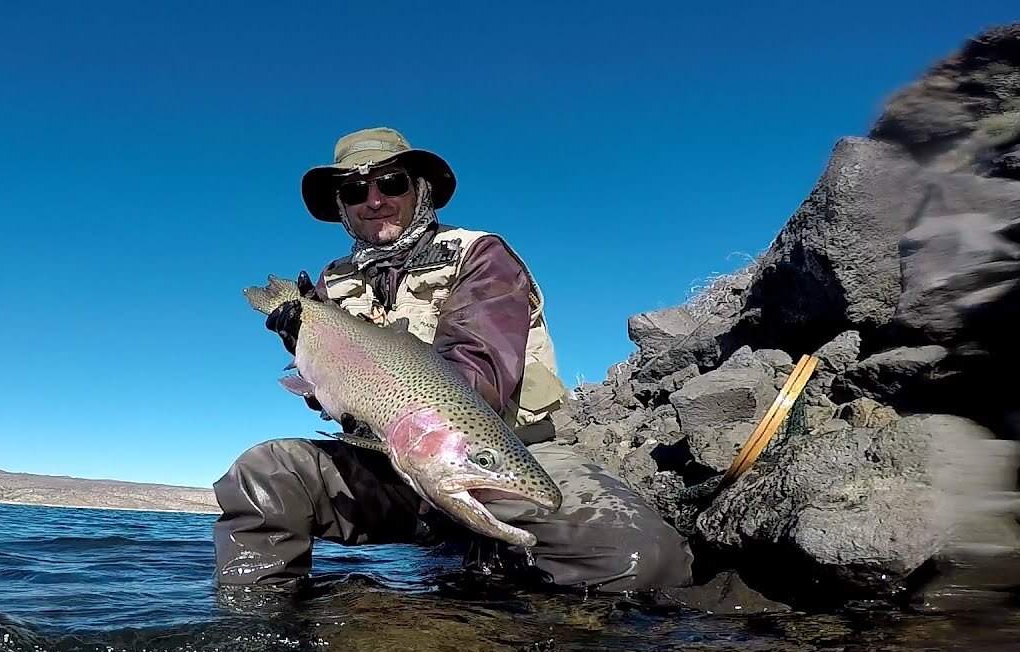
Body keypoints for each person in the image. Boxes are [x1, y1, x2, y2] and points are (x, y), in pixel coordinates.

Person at [212, 127, 694, 593]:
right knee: (264, 472)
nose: (374, 200)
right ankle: (259, 635)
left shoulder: (479, 254)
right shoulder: (331, 285)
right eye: (355, 191)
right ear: (342, 208)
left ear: (421, 190)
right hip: (384, 465)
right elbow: (332, 401)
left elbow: (477, 367)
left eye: (391, 183)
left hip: (497, 453)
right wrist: (301, 339)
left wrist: (434, 441)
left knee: (644, 560)